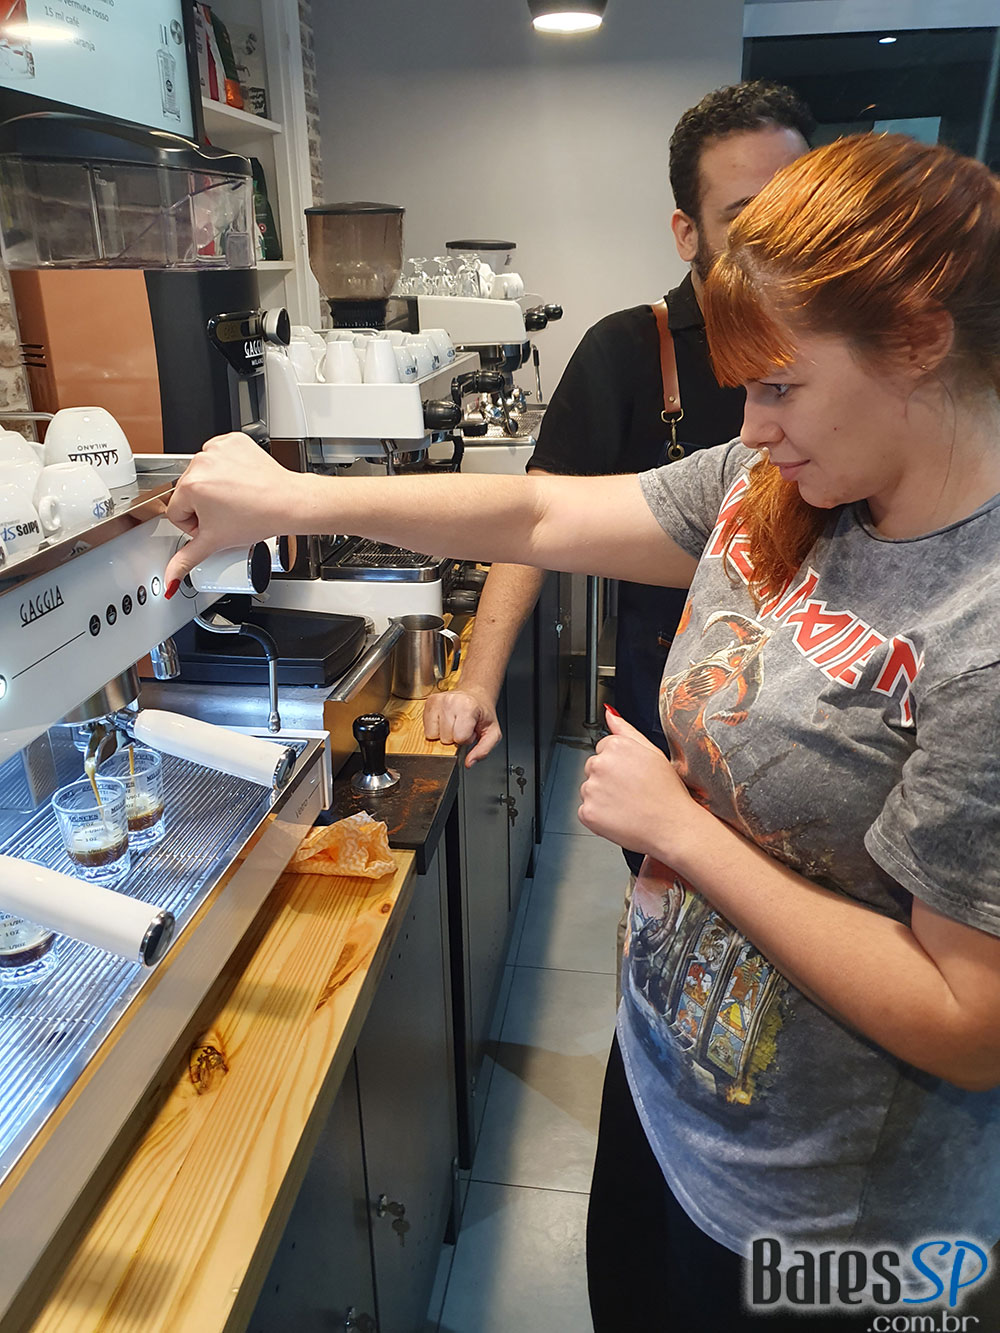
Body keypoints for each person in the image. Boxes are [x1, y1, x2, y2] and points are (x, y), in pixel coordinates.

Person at [165, 133, 1000, 1330]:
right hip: (669, 1094)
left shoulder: (979, 625)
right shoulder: (775, 487)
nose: (754, 424)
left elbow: (968, 1025)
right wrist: (293, 497)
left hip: (825, 1223)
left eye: (780, 385)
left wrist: (685, 832)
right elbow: (540, 511)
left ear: (917, 339)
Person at [424, 80, 813, 989]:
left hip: (799, 750)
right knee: (679, 949)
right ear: (688, 233)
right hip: (669, 726)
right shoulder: (632, 350)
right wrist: (477, 679)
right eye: (746, 217)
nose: (763, 427)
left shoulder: (840, 353)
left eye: (797, 207)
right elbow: (541, 516)